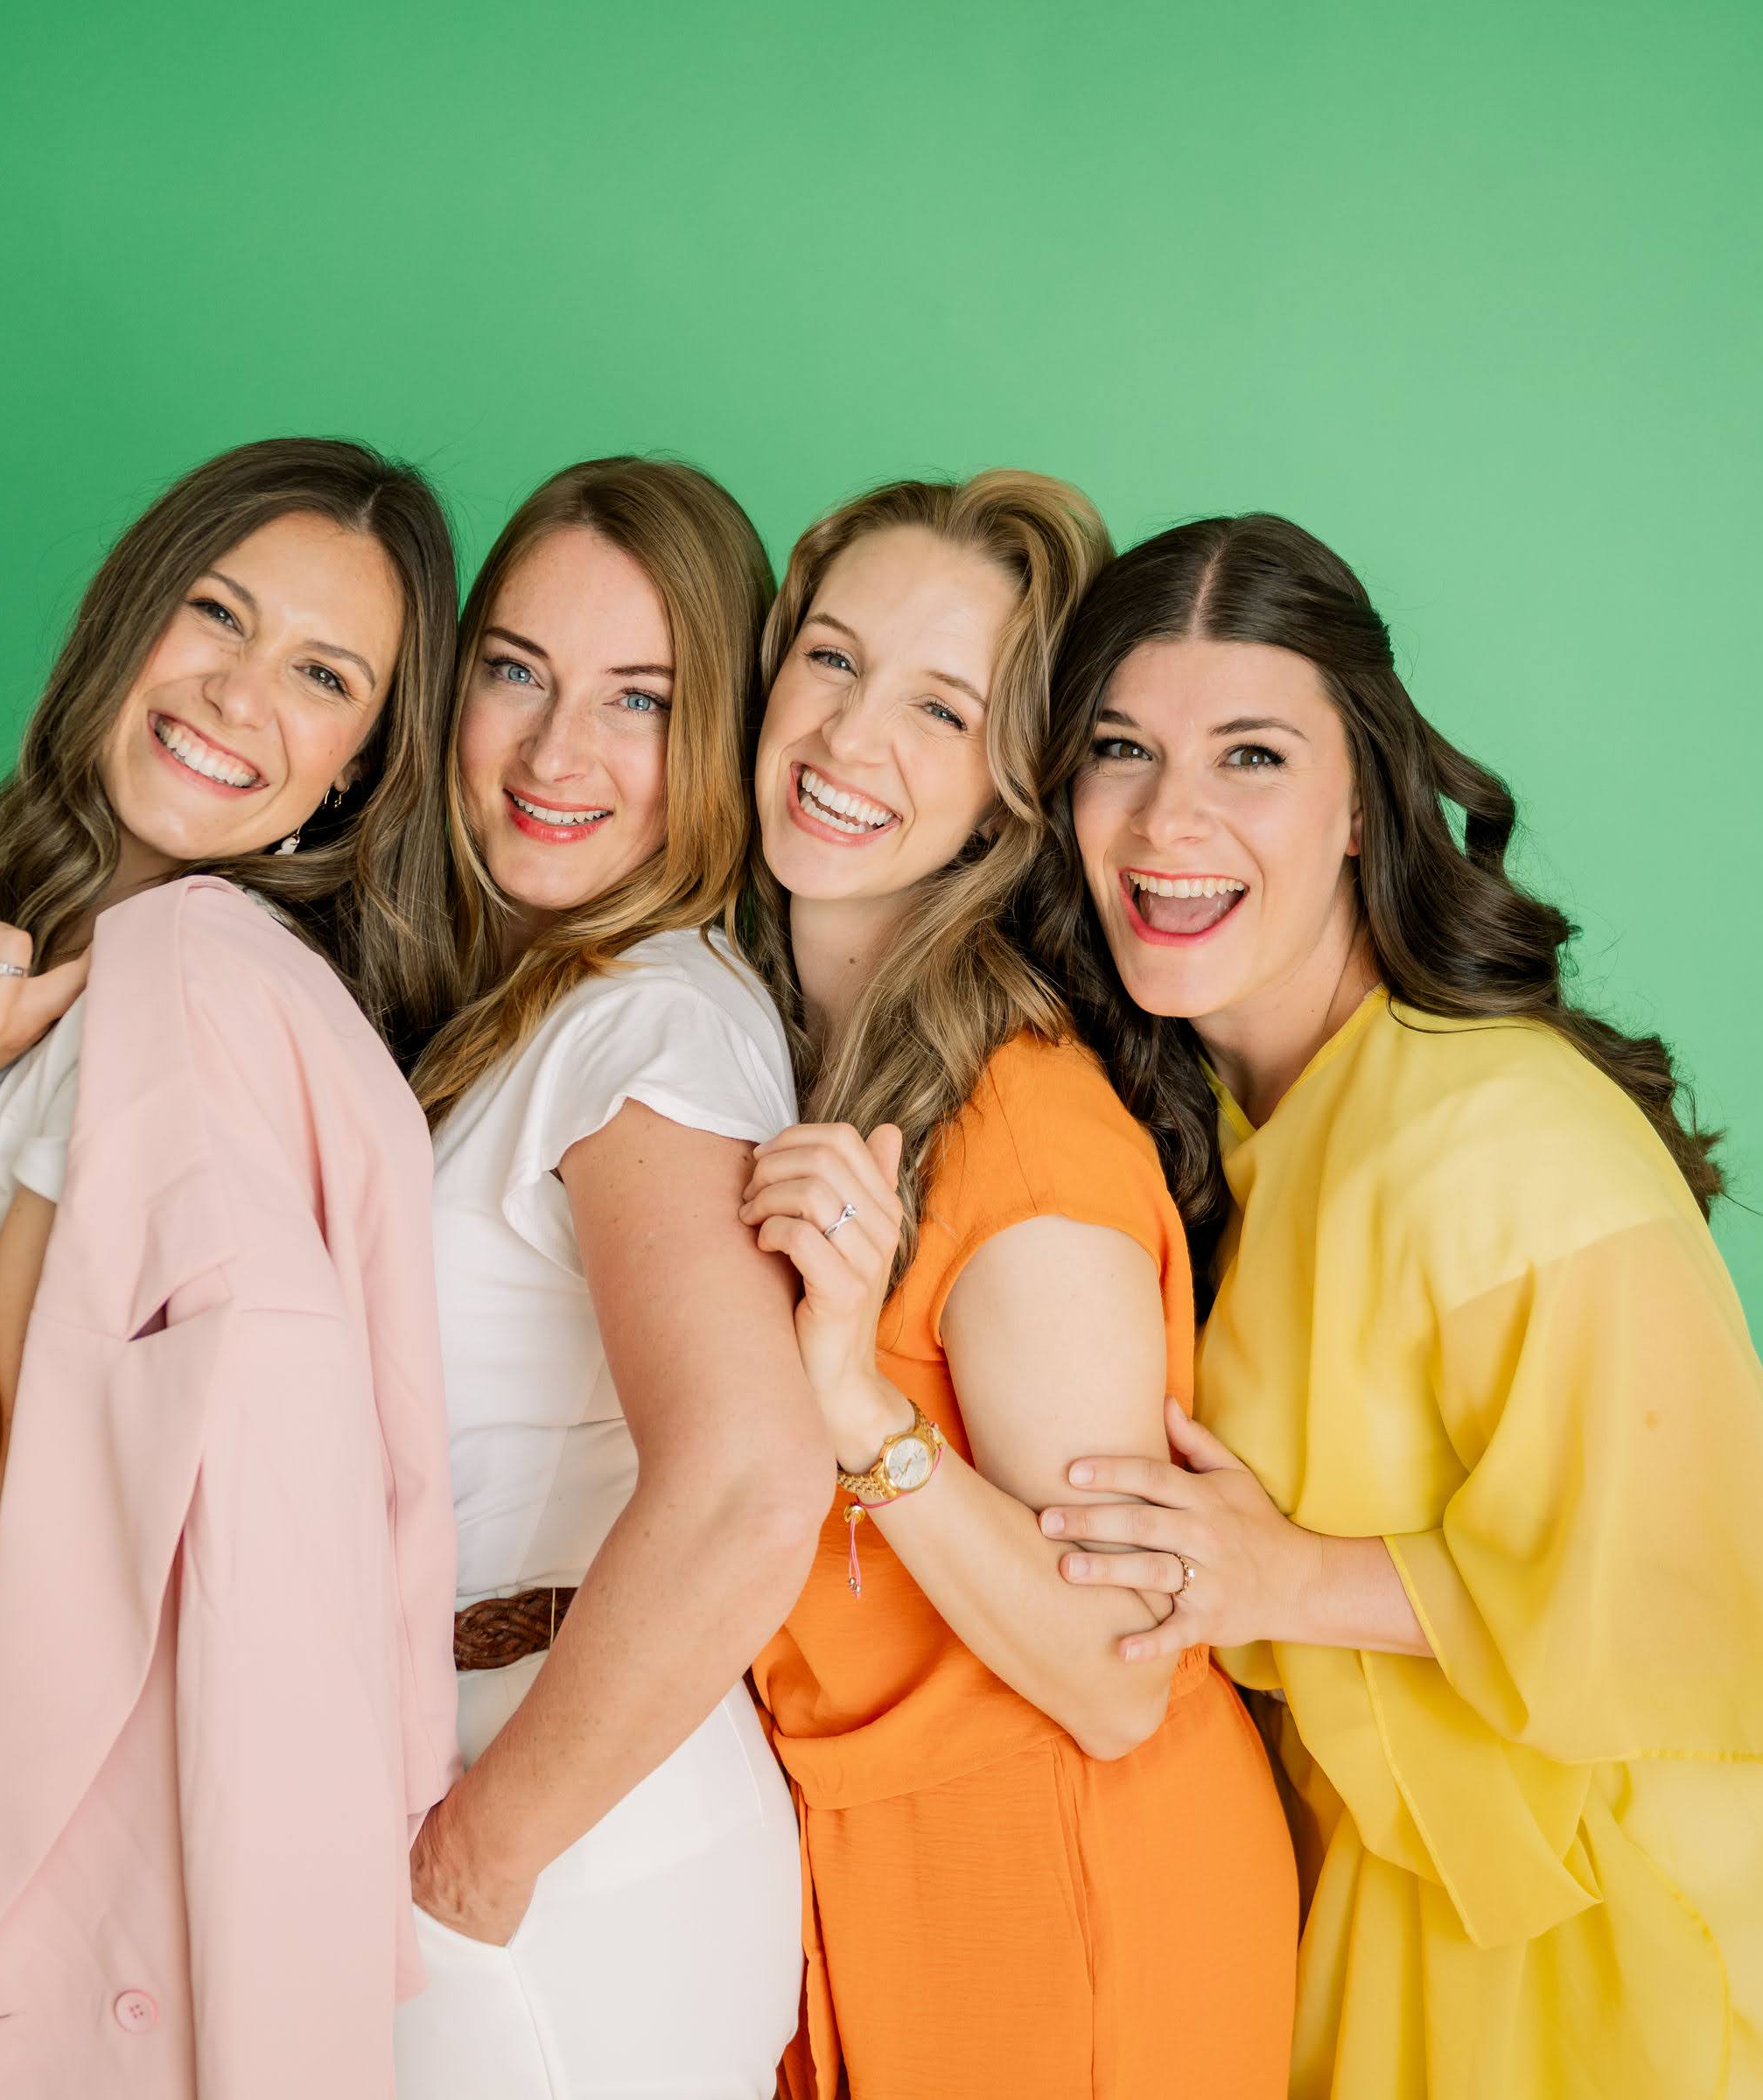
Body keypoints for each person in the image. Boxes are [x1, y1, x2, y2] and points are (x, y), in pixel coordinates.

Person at [1025, 511, 1763, 2098]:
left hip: (1654, 1947)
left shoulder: (1503, 1140)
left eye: (1250, 755)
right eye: (1120, 748)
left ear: (1356, 804)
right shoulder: (1232, 1125)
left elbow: (1680, 1588)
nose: (1164, 819)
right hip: (1426, 1920)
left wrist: (1289, 1577)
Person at [0, 437, 466, 2096]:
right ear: (125, 623)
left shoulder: (175, 1000)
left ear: (355, 769)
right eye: (215, 613)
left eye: (323, 674)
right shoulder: (4, 976)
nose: (240, 694)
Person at [732, 473, 1305, 2099]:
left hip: (1067, 1894)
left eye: (940, 706)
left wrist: (857, 1407)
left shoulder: (1018, 1129)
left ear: (1009, 787)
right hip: (887, 1880)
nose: (851, 743)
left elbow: (1117, 1678)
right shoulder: (798, 1059)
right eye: (832, 663)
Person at [389, 457, 832, 2096]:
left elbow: (747, 1483)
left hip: (566, 1840)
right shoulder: (539, 1007)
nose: (556, 752)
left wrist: (480, 1862)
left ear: (716, 732)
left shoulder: (648, 1024)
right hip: (512, 1789)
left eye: (639, 699)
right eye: (515, 670)